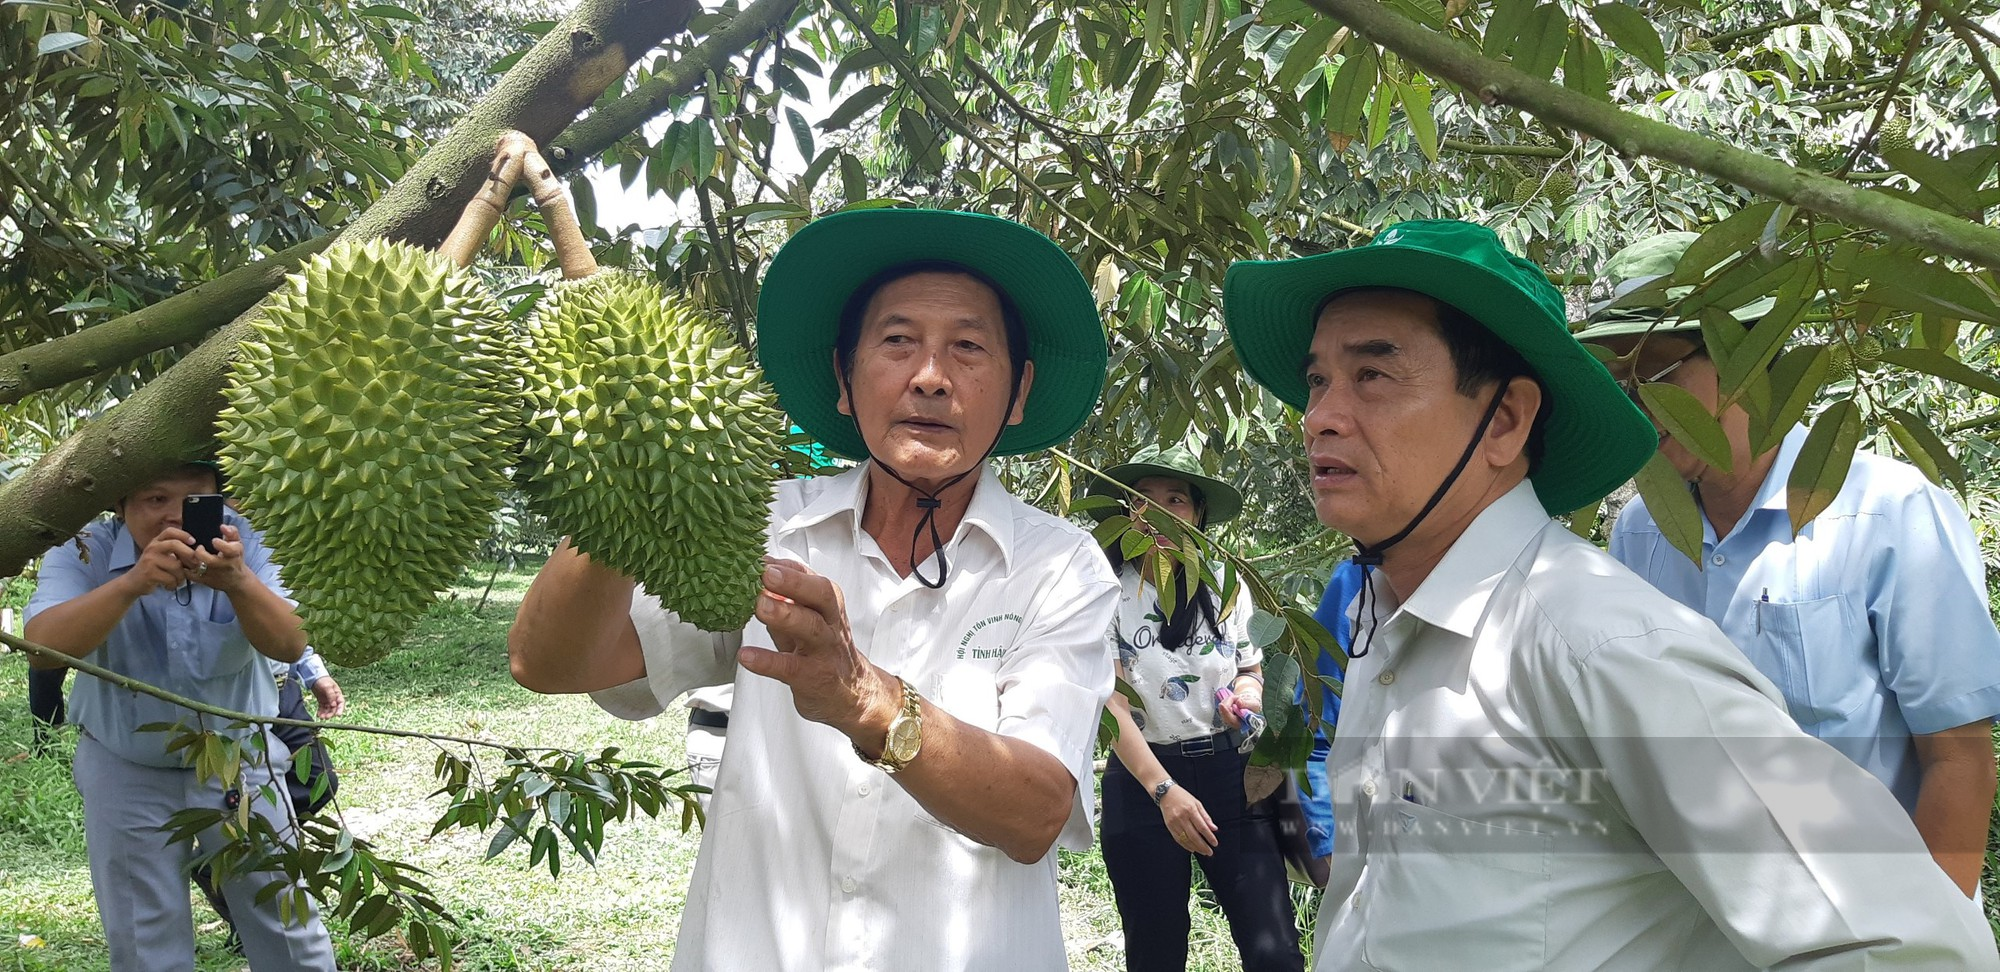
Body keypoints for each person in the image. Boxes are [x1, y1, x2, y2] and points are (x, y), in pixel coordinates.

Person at [1221, 218, 1997, 969]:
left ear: (1507, 421)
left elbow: (1912, 941)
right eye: (1318, 380)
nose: (1319, 416)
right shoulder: (1388, 629)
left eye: (1375, 374)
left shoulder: (1603, 644)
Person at [508, 208, 1117, 971]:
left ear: (1019, 392)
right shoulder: (760, 525)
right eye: (898, 342)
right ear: (842, 376)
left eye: (968, 347)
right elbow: (552, 663)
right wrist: (623, 466)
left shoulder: (1062, 567)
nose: (930, 376)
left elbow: (1037, 812)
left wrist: (865, 698)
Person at [1577, 231, 2000, 897]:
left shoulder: (1887, 516)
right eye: (1614, 380)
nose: (1636, 401)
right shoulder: (1641, 532)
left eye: (1655, 374)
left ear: (1749, 358)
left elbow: (1957, 756)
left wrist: (1923, 940)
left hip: (1867, 923)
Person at [23, 460, 336, 971]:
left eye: (194, 499)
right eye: (154, 500)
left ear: (221, 498)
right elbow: (41, 650)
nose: (174, 516)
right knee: (144, 940)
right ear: (119, 505)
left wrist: (238, 582)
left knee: (286, 925)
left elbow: (289, 642)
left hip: (241, 764)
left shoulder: (252, 543)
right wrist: (132, 584)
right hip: (125, 768)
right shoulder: (85, 548)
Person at [1088, 445, 1301, 971]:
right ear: (1125, 513)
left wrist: (1247, 699)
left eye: (1176, 500)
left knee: (1273, 949)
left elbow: (1249, 670)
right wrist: (1164, 790)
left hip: (1234, 777)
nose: (1158, 511)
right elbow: (1110, 702)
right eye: (1143, 499)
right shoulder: (1102, 592)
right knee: (1156, 950)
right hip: (1143, 781)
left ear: (1198, 516)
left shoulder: (1226, 587)